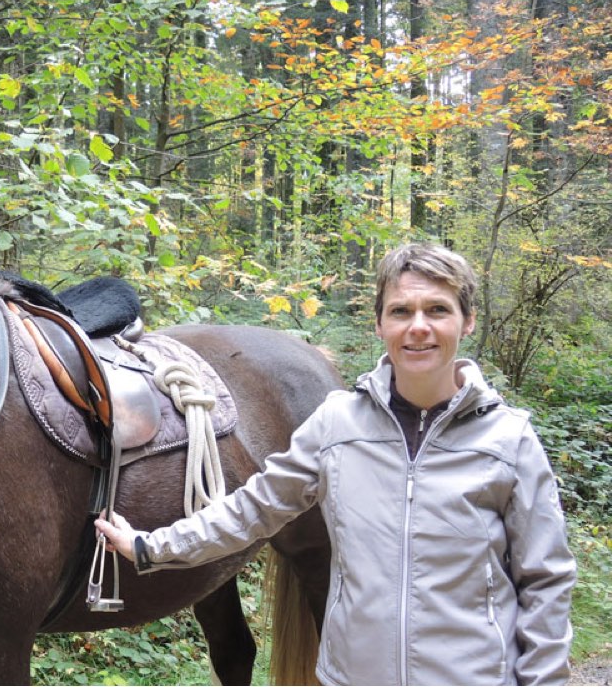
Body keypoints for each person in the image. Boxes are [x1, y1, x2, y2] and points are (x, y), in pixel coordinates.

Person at [96, 242, 576, 685]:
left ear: (467, 321)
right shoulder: (337, 424)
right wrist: (149, 544)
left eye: (438, 310)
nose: (418, 327)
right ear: (380, 324)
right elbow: (252, 509)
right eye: (401, 311)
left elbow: (545, 579)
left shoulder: (510, 439)